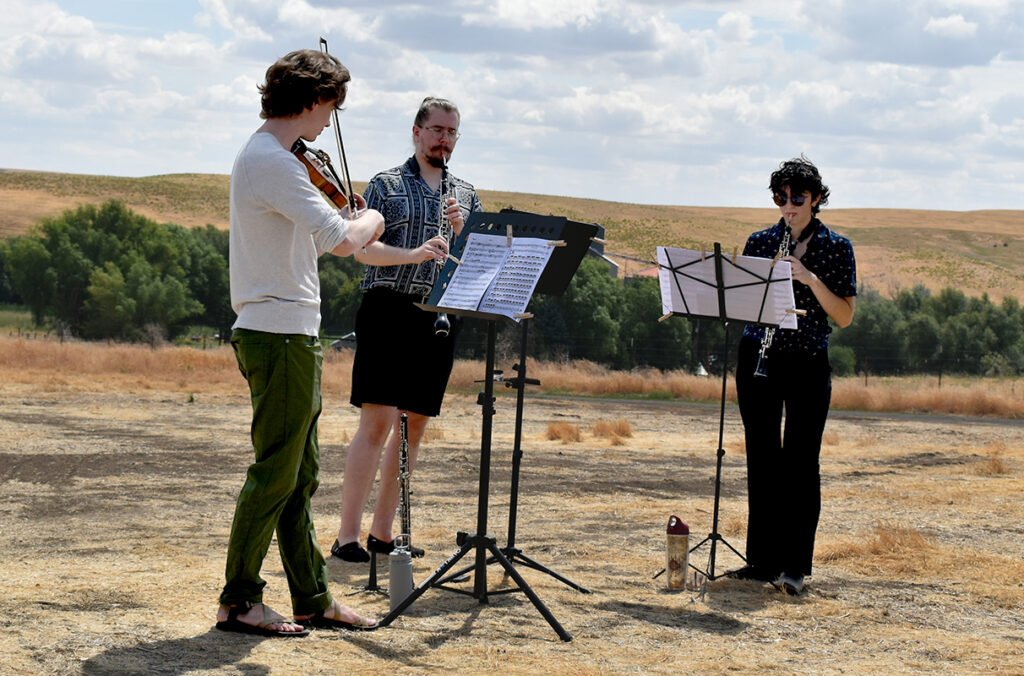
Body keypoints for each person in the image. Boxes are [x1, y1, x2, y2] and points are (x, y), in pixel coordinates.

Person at [215, 48, 385, 637]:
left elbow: (308, 244)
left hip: (290, 330)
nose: (329, 122)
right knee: (275, 473)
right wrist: (371, 218)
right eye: (331, 107)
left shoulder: (274, 159)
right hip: (278, 333)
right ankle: (239, 601)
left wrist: (345, 222)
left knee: (298, 474)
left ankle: (313, 598)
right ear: (314, 99)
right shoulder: (273, 161)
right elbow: (344, 241)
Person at [330, 97, 483, 563]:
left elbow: (476, 265)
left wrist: (464, 232)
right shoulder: (386, 185)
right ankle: (347, 536)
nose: (444, 139)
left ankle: (383, 534)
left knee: (414, 426)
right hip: (388, 309)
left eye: (451, 132)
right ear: (416, 132)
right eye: (436, 130)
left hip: (439, 317)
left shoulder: (467, 194)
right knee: (377, 422)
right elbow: (362, 250)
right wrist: (413, 254)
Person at [732, 156, 856, 596]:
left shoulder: (836, 247)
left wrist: (809, 278)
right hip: (759, 356)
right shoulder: (761, 241)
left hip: (807, 362)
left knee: (801, 463)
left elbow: (844, 316)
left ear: (816, 199)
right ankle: (761, 561)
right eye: (780, 198)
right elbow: (744, 304)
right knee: (762, 459)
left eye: (797, 198)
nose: (788, 206)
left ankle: (794, 568)